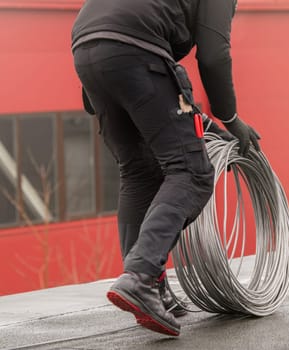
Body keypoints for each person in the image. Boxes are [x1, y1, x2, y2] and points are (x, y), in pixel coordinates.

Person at [71, 0, 261, 337]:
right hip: (134, 50)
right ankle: (142, 277)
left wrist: (203, 125)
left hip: (87, 49)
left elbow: (159, 85)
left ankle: (148, 286)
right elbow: (214, 54)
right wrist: (230, 118)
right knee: (192, 172)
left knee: (139, 171)